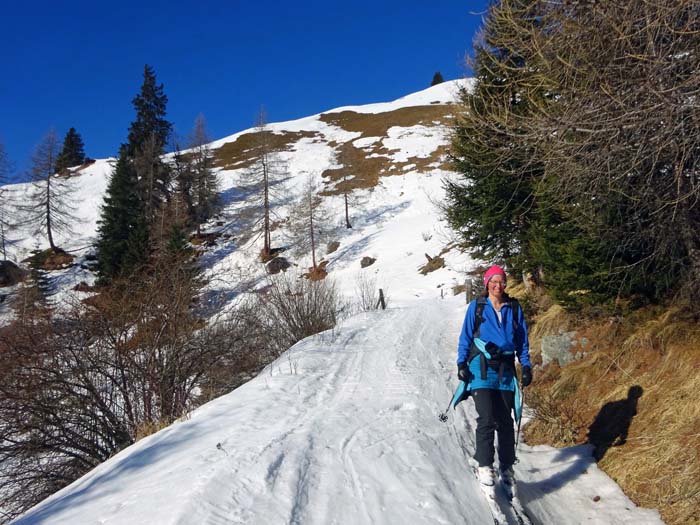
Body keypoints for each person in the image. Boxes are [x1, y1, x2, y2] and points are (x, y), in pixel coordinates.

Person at [456, 264, 532, 497]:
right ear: (487, 284)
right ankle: (485, 465)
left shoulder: (514, 307)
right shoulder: (477, 308)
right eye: (493, 281)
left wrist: (526, 365)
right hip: (481, 368)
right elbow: (466, 336)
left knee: (505, 422)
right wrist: (461, 364)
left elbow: (522, 341)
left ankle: (507, 467)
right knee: (487, 417)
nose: (498, 286)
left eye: (501, 282)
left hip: (506, 370)